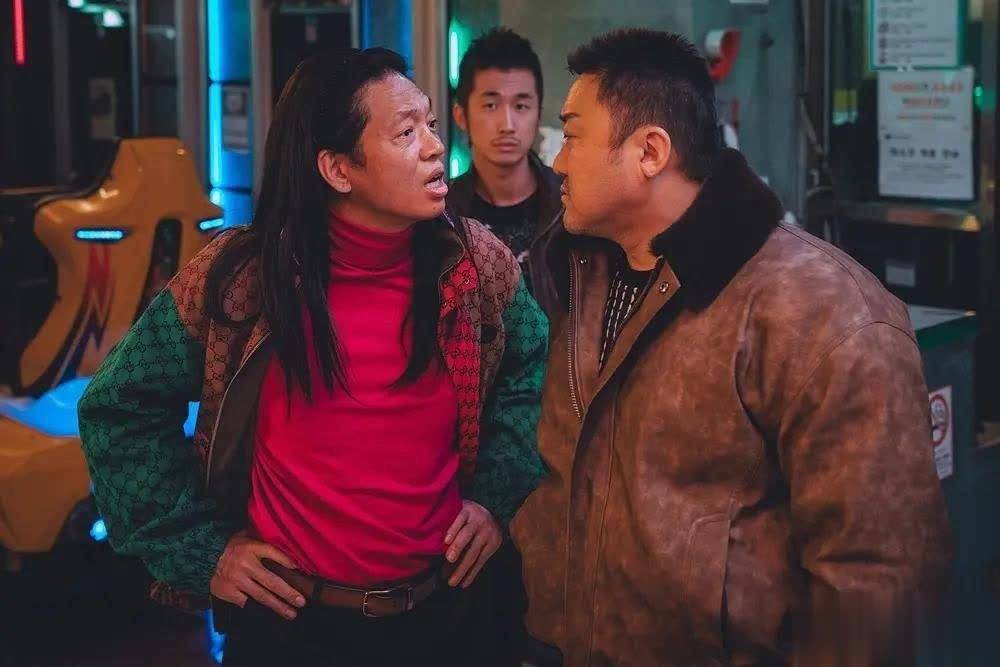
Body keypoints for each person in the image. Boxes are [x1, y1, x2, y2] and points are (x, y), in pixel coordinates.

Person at [78, 47, 548, 666]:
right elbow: (118, 405)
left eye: (431, 124)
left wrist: (492, 496)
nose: (436, 147)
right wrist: (202, 550)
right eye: (406, 133)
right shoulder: (244, 279)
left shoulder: (472, 265)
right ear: (338, 169)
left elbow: (530, 367)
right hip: (290, 627)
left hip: (445, 615)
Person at [510, 29, 951, 665]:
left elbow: (876, 577)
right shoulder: (573, 273)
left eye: (574, 135)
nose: (557, 161)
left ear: (650, 152)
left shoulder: (823, 310)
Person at [447, 28, 562, 317]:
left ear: (538, 113)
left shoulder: (569, 205)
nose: (507, 125)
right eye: (490, 105)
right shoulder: (442, 214)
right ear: (461, 116)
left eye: (521, 106)